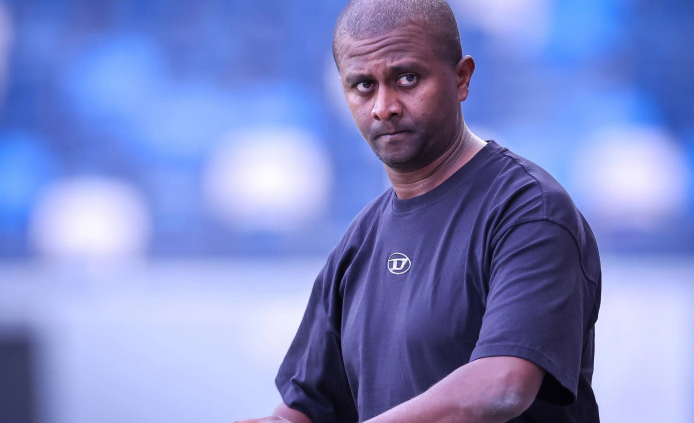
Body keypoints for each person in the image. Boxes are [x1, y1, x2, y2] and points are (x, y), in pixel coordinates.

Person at [237, 0, 601, 422]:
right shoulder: (358, 243)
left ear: (462, 78)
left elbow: (503, 385)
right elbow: (305, 411)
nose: (384, 106)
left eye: (407, 78)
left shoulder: (529, 212)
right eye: (363, 86)